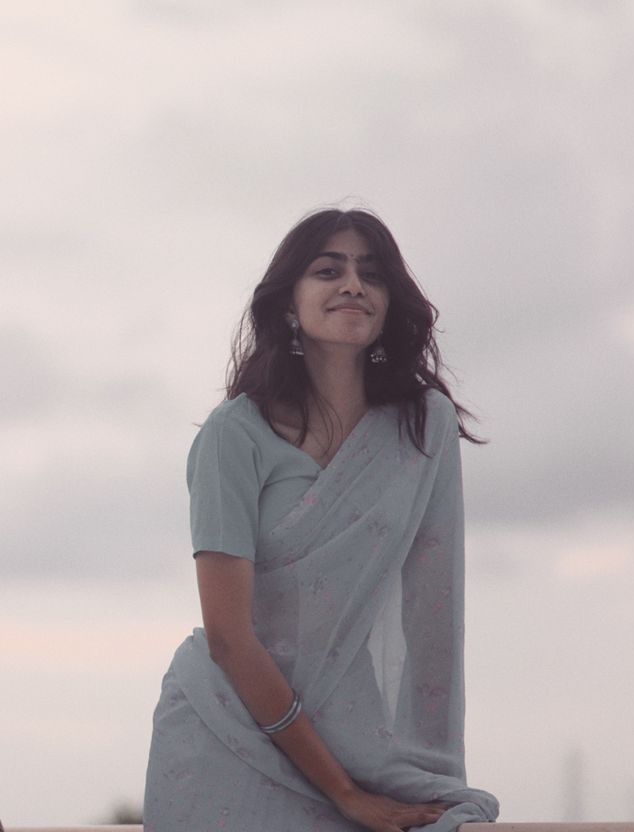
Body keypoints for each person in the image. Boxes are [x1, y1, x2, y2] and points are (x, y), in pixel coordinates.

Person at [143, 207, 499, 832]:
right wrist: (342, 792)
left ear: (389, 304)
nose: (354, 285)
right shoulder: (234, 436)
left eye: (373, 274)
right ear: (289, 303)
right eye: (328, 270)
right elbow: (228, 637)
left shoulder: (421, 428)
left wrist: (422, 765)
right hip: (225, 727)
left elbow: (432, 612)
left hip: (353, 734)